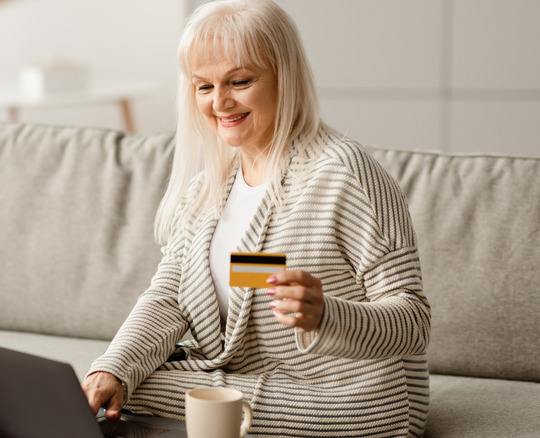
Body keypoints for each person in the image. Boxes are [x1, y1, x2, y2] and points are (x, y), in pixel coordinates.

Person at [82, 0, 430, 436]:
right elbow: (171, 295)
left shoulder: (346, 174)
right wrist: (112, 369)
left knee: (143, 394)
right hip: (257, 380)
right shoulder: (211, 186)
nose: (219, 102)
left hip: (352, 396)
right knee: (119, 385)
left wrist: (326, 316)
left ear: (286, 77)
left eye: (240, 81)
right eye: (203, 86)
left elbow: (414, 322)